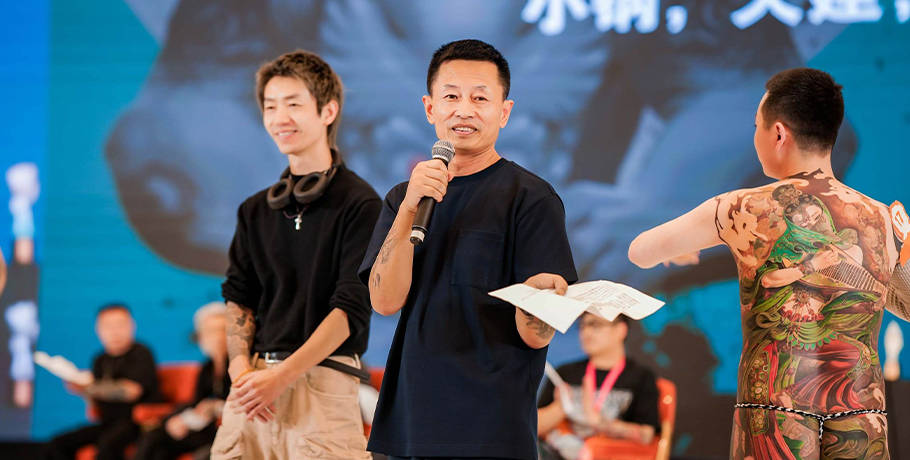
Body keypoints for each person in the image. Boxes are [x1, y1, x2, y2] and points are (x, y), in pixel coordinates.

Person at [629, 68, 904, 459]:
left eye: (755, 126)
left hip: (774, 410)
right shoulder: (883, 219)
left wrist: (679, 250)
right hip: (861, 414)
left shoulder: (739, 207)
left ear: (778, 133)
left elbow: (639, 252)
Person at [359, 39, 577, 460]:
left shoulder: (531, 198)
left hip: (491, 427)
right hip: (411, 420)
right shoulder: (403, 197)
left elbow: (535, 337)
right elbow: (384, 301)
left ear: (504, 112)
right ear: (430, 108)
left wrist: (541, 301)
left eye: (480, 98)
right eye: (451, 97)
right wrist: (409, 209)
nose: (464, 110)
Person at [211, 49, 380, 460]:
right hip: (252, 387)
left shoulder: (361, 204)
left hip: (323, 384)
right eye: (270, 107)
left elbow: (352, 307)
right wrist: (239, 370)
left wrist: (283, 376)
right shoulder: (254, 210)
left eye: (293, 104)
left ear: (328, 111)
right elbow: (239, 295)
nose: (279, 118)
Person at [44, 304, 159, 460]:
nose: (115, 331)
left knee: (108, 445)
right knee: (57, 444)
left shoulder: (141, 353)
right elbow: (95, 402)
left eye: (120, 325)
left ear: (132, 326)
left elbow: (132, 391)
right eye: (108, 326)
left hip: (135, 423)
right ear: (98, 330)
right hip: (107, 422)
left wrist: (90, 387)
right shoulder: (100, 359)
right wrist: (81, 388)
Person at [537, 314, 660, 459]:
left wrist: (598, 421)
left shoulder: (641, 377)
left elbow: (646, 435)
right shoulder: (565, 373)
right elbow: (535, 426)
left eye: (595, 325)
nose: (586, 332)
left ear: (620, 330)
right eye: (582, 326)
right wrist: (560, 408)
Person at [134, 302, 231, 460]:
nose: (218, 337)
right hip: (203, 428)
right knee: (156, 438)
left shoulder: (240, 365)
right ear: (200, 336)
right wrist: (173, 420)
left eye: (223, 330)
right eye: (211, 332)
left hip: (226, 430)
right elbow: (195, 402)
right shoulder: (207, 368)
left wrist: (215, 407)